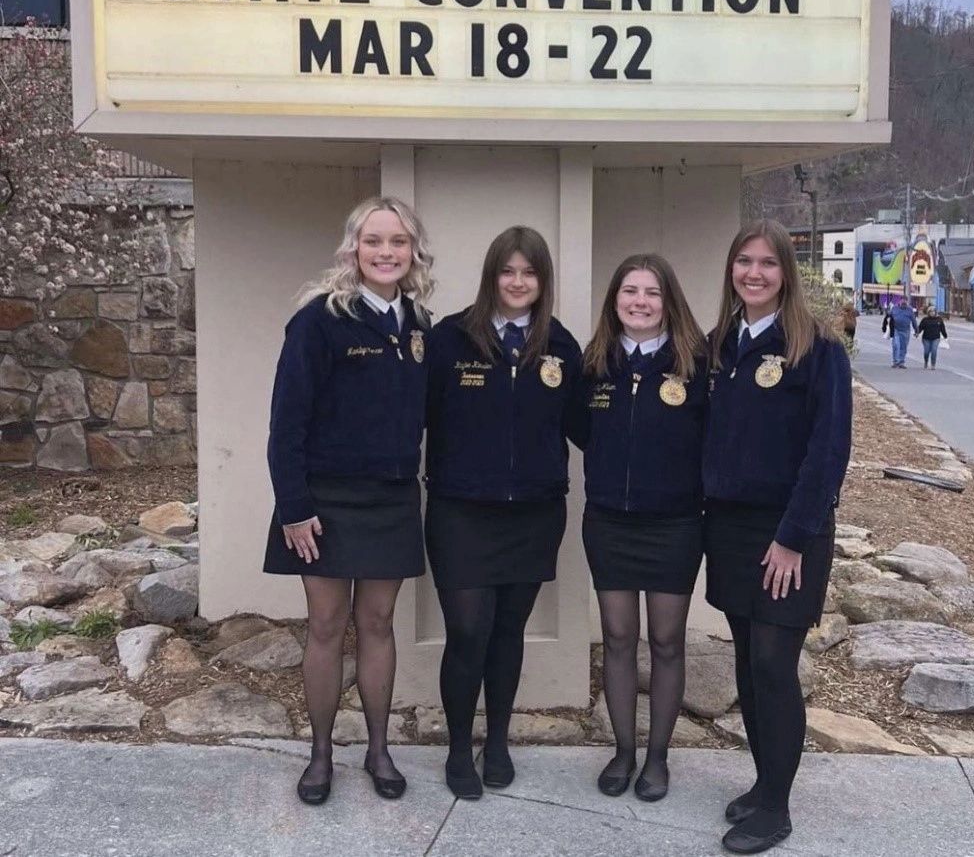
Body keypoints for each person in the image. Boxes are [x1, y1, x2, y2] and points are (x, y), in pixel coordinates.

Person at [264, 196, 435, 806]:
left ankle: (379, 749)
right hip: (323, 504)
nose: (386, 252)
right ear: (353, 250)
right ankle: (319, 754)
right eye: (374, 241)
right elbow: (287, 424)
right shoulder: (319, 320)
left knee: (378, 624)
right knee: (327, 627)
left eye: (397, 242)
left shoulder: (418, 325)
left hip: (389, 501)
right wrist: (294, 506)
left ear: (413, 251)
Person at [703, 220, 851, 855]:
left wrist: (793, 538)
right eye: (744, 261)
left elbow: (827, 455)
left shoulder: (817, 350)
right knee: (746, 663)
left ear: (786, 272)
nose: (754, 273)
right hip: (731, 531)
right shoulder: (718, 345)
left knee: (772, 663)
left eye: (767, 263)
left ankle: (777, 808)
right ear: (732, 270)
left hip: (790, 533)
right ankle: (764, 784)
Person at [424, 226, 582, 800]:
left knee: (508, 632)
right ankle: (459, 748)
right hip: (460, 513)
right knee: (468, 632)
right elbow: (406, 415)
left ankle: (497, 744)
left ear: (543, 282)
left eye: (530, 273)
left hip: (534, 515)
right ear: (492, 276)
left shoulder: (560, 346)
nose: (518, 283)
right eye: (508, 271)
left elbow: (588, 427)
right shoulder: (448, 340)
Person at [570, 255, 708, 802]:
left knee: (667, 640)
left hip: (675, 525)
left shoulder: (696, 364)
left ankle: (657, 758)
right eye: (630, 291)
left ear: (668, 301)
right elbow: (581, 429)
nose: (640, 302)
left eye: (652, 292)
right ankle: (624, 751)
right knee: (619, 638)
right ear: (615, 299)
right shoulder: (595, 363)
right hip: (608, 522)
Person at [886, 298, 918, 368]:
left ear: (907, 302)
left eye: (905, 303)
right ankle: (895, 361)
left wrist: (916, 330)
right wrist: (887, 313)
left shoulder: (910, 310)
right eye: (902, 302)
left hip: (906, 330)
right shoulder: (894, 308)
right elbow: (889, 315)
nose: (904, 304)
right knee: (896, 345)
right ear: (899, 302)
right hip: (896, 329)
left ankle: (901, 362)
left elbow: (913, 320)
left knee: (903, 347)